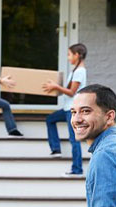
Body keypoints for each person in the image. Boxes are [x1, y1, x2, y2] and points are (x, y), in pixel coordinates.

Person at [42, 43, 88, 175]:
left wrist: (56, 87)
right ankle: (56, 149)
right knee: (50, 119)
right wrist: (55, 88)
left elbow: (72, 92)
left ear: (77, 55)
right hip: (68, 108)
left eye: (69, 55)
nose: (68, 58)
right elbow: (68, 90)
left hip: (73, 110)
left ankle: (77, 169)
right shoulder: (75, 71)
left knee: (74, 139)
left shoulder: (79, 72)